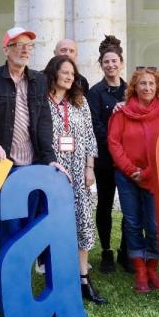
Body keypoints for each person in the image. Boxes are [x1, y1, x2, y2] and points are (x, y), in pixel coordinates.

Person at [0, 27, 65, 247]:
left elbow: (44, 122)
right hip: (3, 165)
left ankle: (22, 273)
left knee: (30, 221)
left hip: (34, 164)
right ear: (6, 50)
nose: (25, 50)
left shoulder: (38, 80)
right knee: (11, 222)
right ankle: (10, 275)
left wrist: (49, 158)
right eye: (19, 45)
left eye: (29, 46)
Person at [43, 55, 106, 304]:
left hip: (79, 171)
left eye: (73, 73)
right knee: (55, 222)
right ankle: (57, 277)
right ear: (54, 74)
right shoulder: (42, 103)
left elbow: (90, 136)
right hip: (54, 172)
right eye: (65, 72)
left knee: (82, 221)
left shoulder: (80, 102)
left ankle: (83, 279)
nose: (70, 77)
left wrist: (90, 167)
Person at [108, 67, 159, 293]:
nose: (147, 88)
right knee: (133, 223)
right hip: (126, 177)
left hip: (154, 176)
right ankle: (140, 271)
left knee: (154, 226)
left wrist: (145, 173)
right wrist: (130, 170)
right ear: (134, 87)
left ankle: (153, 268)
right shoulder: (122, 112)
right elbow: (114, 143)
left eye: (151, 84)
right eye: (143, 84)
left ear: (158, 88)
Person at [87, 35, 131, 273]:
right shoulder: (95, 93)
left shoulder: (130, 90)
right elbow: (95, 125)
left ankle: (126, 250)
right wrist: (114, 142)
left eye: (114, 61)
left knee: (129, 207)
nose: (111, 65)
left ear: (121, 62)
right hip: (105, 160)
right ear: (101, 65)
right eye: (106, 62)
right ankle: (106, 252)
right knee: (104, 205)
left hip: (127, 160)